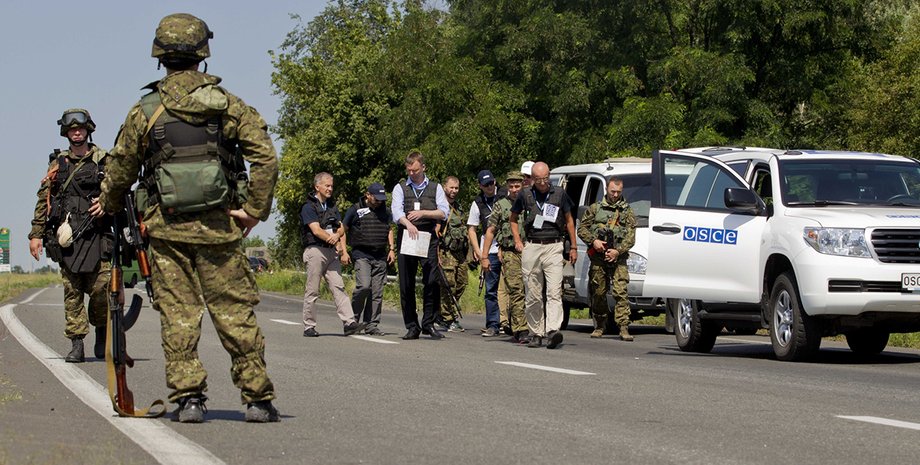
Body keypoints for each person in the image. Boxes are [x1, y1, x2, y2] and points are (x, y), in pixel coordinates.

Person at [93, 13, 279, 423]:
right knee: (234, 312)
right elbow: (265, 157)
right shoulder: (228, 104)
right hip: (220, 230)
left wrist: (107, 205)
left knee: (179, 316)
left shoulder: (145, 110)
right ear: (203, 54)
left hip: (167, 232)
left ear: (160, 56)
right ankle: (257, 400)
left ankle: (189, 399)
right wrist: (254, 211)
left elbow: (121, 170)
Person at [29, 108, 112, 363]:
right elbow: (44, 200)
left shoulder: (103, 160)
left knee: (101, 289)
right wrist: (36, 234)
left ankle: (100, 328)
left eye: (81, 128)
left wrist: (106, 202)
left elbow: (120, 189)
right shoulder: (58, 164)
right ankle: (77, 344)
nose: (77, 132)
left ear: (88, 130)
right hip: (67, 239)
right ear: (66, 133)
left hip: (97, 235)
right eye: (72, 129)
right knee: (72, 292)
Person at [510, 162, 577, 349]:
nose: (542, 182)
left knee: (554, 291)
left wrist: (573, 246)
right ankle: (536, 332)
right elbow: (513, 219)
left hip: (554, 245)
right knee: (533, 293)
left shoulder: (559, 194)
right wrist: (518, 240)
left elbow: (570, 220)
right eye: (538, 179)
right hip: (532, 246)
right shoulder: (525, 194)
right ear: (531, 178)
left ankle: (553, 330)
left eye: (545, 178)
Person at [391, 151, 450, 340]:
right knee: (406, 284)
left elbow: (443, 213)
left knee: (431, 281)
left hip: (428, 237)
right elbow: (396, 211)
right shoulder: (400, 188)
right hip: (407, 236)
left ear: (423, 167)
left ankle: (428, 323)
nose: (412, 174)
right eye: (409, 171)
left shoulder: (436, 188)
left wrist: (424, 213)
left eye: (415, 170)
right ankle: (411, 325)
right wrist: (407, 223)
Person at [301, 172, 364, 337]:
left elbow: (341, 228)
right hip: (315, 250)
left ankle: (349, 322)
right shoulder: (308, 207)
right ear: (317, 187)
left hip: (332, 251)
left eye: (331, 186)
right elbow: (316, 230)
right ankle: (309, 326)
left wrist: (342, 247)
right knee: (313, 289)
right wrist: (333, 238)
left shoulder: (332, 207)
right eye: (327, 186)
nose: (330, 189)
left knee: (338, 287)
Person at [578, 177, 637, 340]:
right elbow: (582, 229)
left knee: (621, 292)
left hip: (618, 258)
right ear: (606, 190)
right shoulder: (595, 208)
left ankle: (623, 327)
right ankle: (599, 325)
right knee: (598, 292)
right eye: (613, 191)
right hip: (598, 257)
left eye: (619, 192)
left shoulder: (627, 211)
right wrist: (593, 241)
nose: (616, 195)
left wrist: (618, 251)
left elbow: (631, 237)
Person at [342, 182, 395, 336]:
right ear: (368, 195)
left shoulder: (385, 211)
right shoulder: (355, 209)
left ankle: (372, 325)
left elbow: (390, 228)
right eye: (376, 198)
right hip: (362, 254)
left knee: (377, 293)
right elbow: (343, 229)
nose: (379, 201)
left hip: (380, 255)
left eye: (381, 198)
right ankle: (353, 321)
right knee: (364, 286)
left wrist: (391, 249)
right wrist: (344, 251)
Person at [480, 171, 528, 343]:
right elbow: (491, 230)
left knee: (532, 290)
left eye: (517, 186)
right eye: (511, 186)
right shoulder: (501, 205)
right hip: (510, 253)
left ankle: (534, 326)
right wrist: (484, 256)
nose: (515, 190)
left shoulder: (530, 203)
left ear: (523, 185)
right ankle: (520, 328)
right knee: (516, 290)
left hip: (531, 250)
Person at [468, 170, 504, 337]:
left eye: (491, 183)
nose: (490, 187)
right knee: (491, 289)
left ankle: (512, 323)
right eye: (485, 185)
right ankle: (493, 324)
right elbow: (472, 229)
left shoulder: (504, 195)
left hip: (507, 247)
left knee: (514, 288)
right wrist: (478, 250)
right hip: (489, 251)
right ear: (480, 186)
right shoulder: (478, 203)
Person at [437, 176, 468, 332]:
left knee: (462, 282)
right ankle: (447, 318)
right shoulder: (440, 207)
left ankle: (443, 312)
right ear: (444, 187)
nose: (454, 191)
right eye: (451, 188)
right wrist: (436, 254)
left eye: (456, 188)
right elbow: (435, 232)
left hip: (459, 252)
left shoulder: (458, 207)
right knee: (448, 285)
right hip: (445, 252)